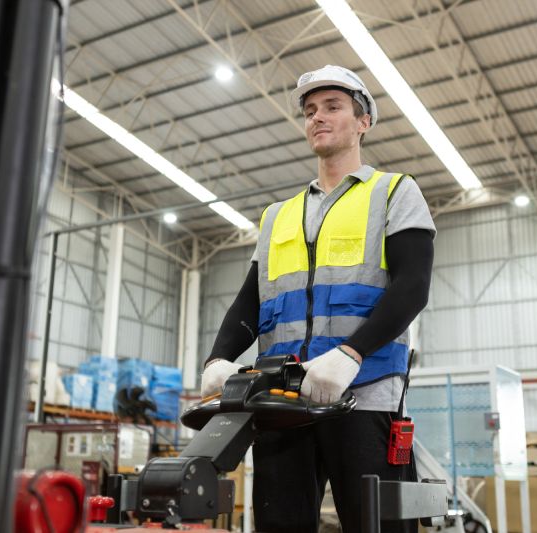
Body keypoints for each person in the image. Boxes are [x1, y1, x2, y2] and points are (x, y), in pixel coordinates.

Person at [200, 65, 436, 533]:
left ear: (363, 121)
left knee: (378, 524)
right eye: (310, 111)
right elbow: (250, 301)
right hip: (282, 398)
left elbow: (412, 287)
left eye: (332, 107)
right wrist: (218, 359)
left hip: (364, 393)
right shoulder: (277, 216)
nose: (317, 118)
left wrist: (350, 355)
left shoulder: (393, 193)